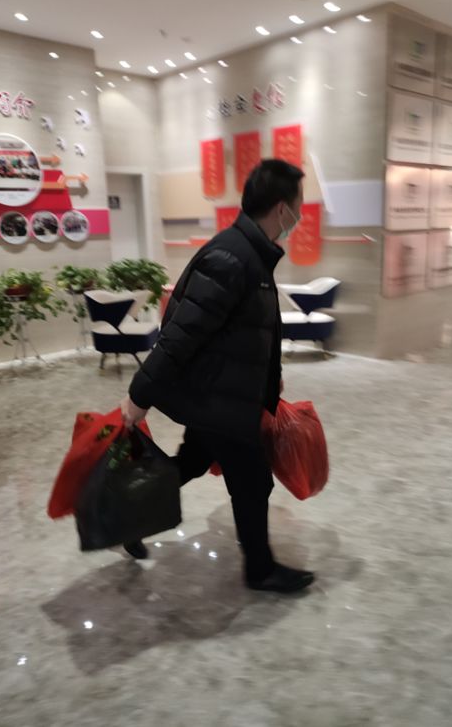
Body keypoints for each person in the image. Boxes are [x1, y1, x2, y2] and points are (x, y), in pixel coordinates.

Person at [120, 159, 315, 594]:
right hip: (217, 399)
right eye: (299, 204)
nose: (300, 214)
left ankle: (131, 517)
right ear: (281, 208)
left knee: (191, 461)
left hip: (223, 394)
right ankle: (260, 570)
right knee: (253, 481)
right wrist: (139, 395)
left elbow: (249, 330)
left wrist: (270, 378)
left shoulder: (250, 252)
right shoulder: (232, 257)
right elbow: (181, 335)